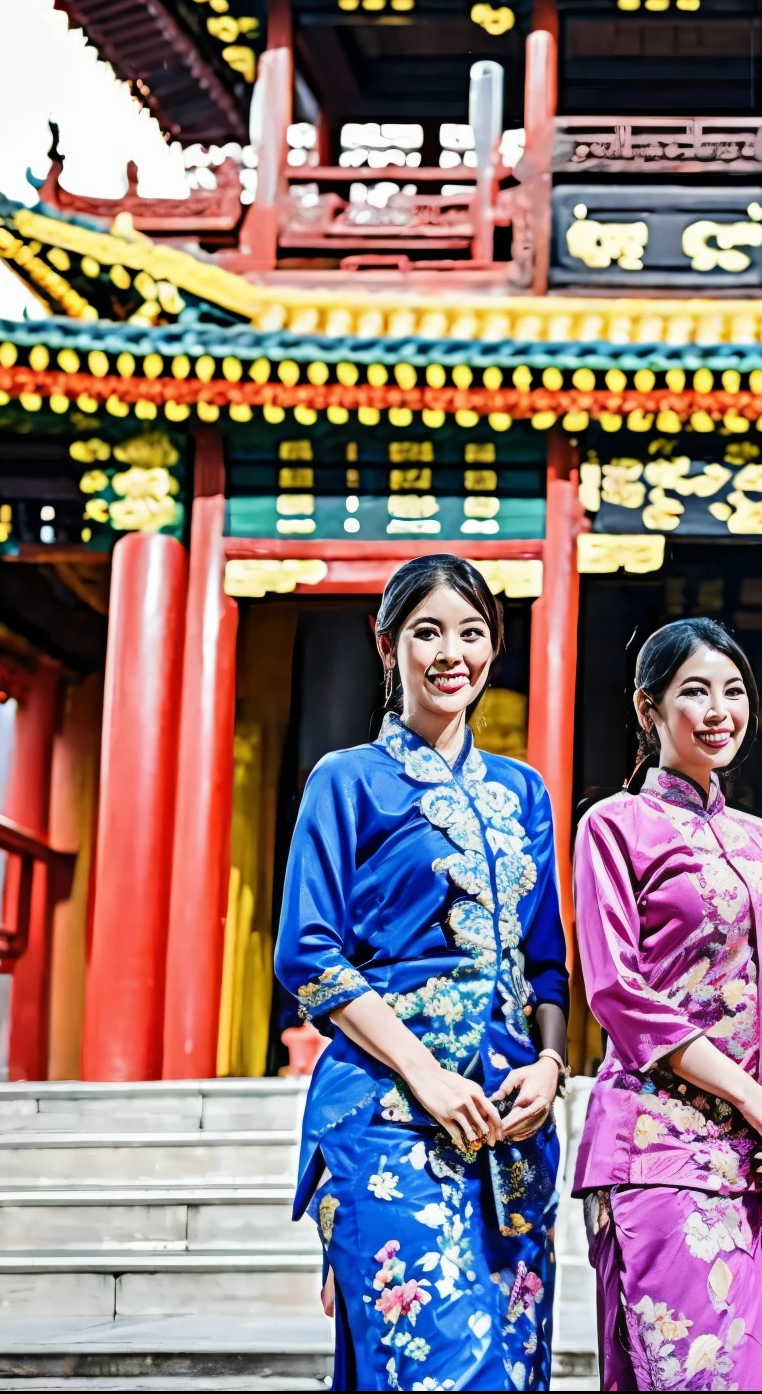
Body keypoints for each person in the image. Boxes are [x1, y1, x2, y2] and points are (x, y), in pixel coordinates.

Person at [276, 555, 569, 1392]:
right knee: (442, 1368)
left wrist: (551, 1067)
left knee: (512, 1367)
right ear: (387, 644)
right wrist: (426, 1075)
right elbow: (307, 951)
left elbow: (547, 962)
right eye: (428, 632)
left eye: (472, 634)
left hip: (511, 1126)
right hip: (386, 1114)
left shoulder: (524, 792)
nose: (452, 654)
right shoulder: (345, 781)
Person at [572, 619, 762, 1391]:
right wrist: (753, 1097)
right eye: (695, 692)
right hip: (662, 1145)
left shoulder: (760, 841)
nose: (720, 710)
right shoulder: (613, 826)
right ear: (648, 709)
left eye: (734, 691)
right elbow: (618, 991)